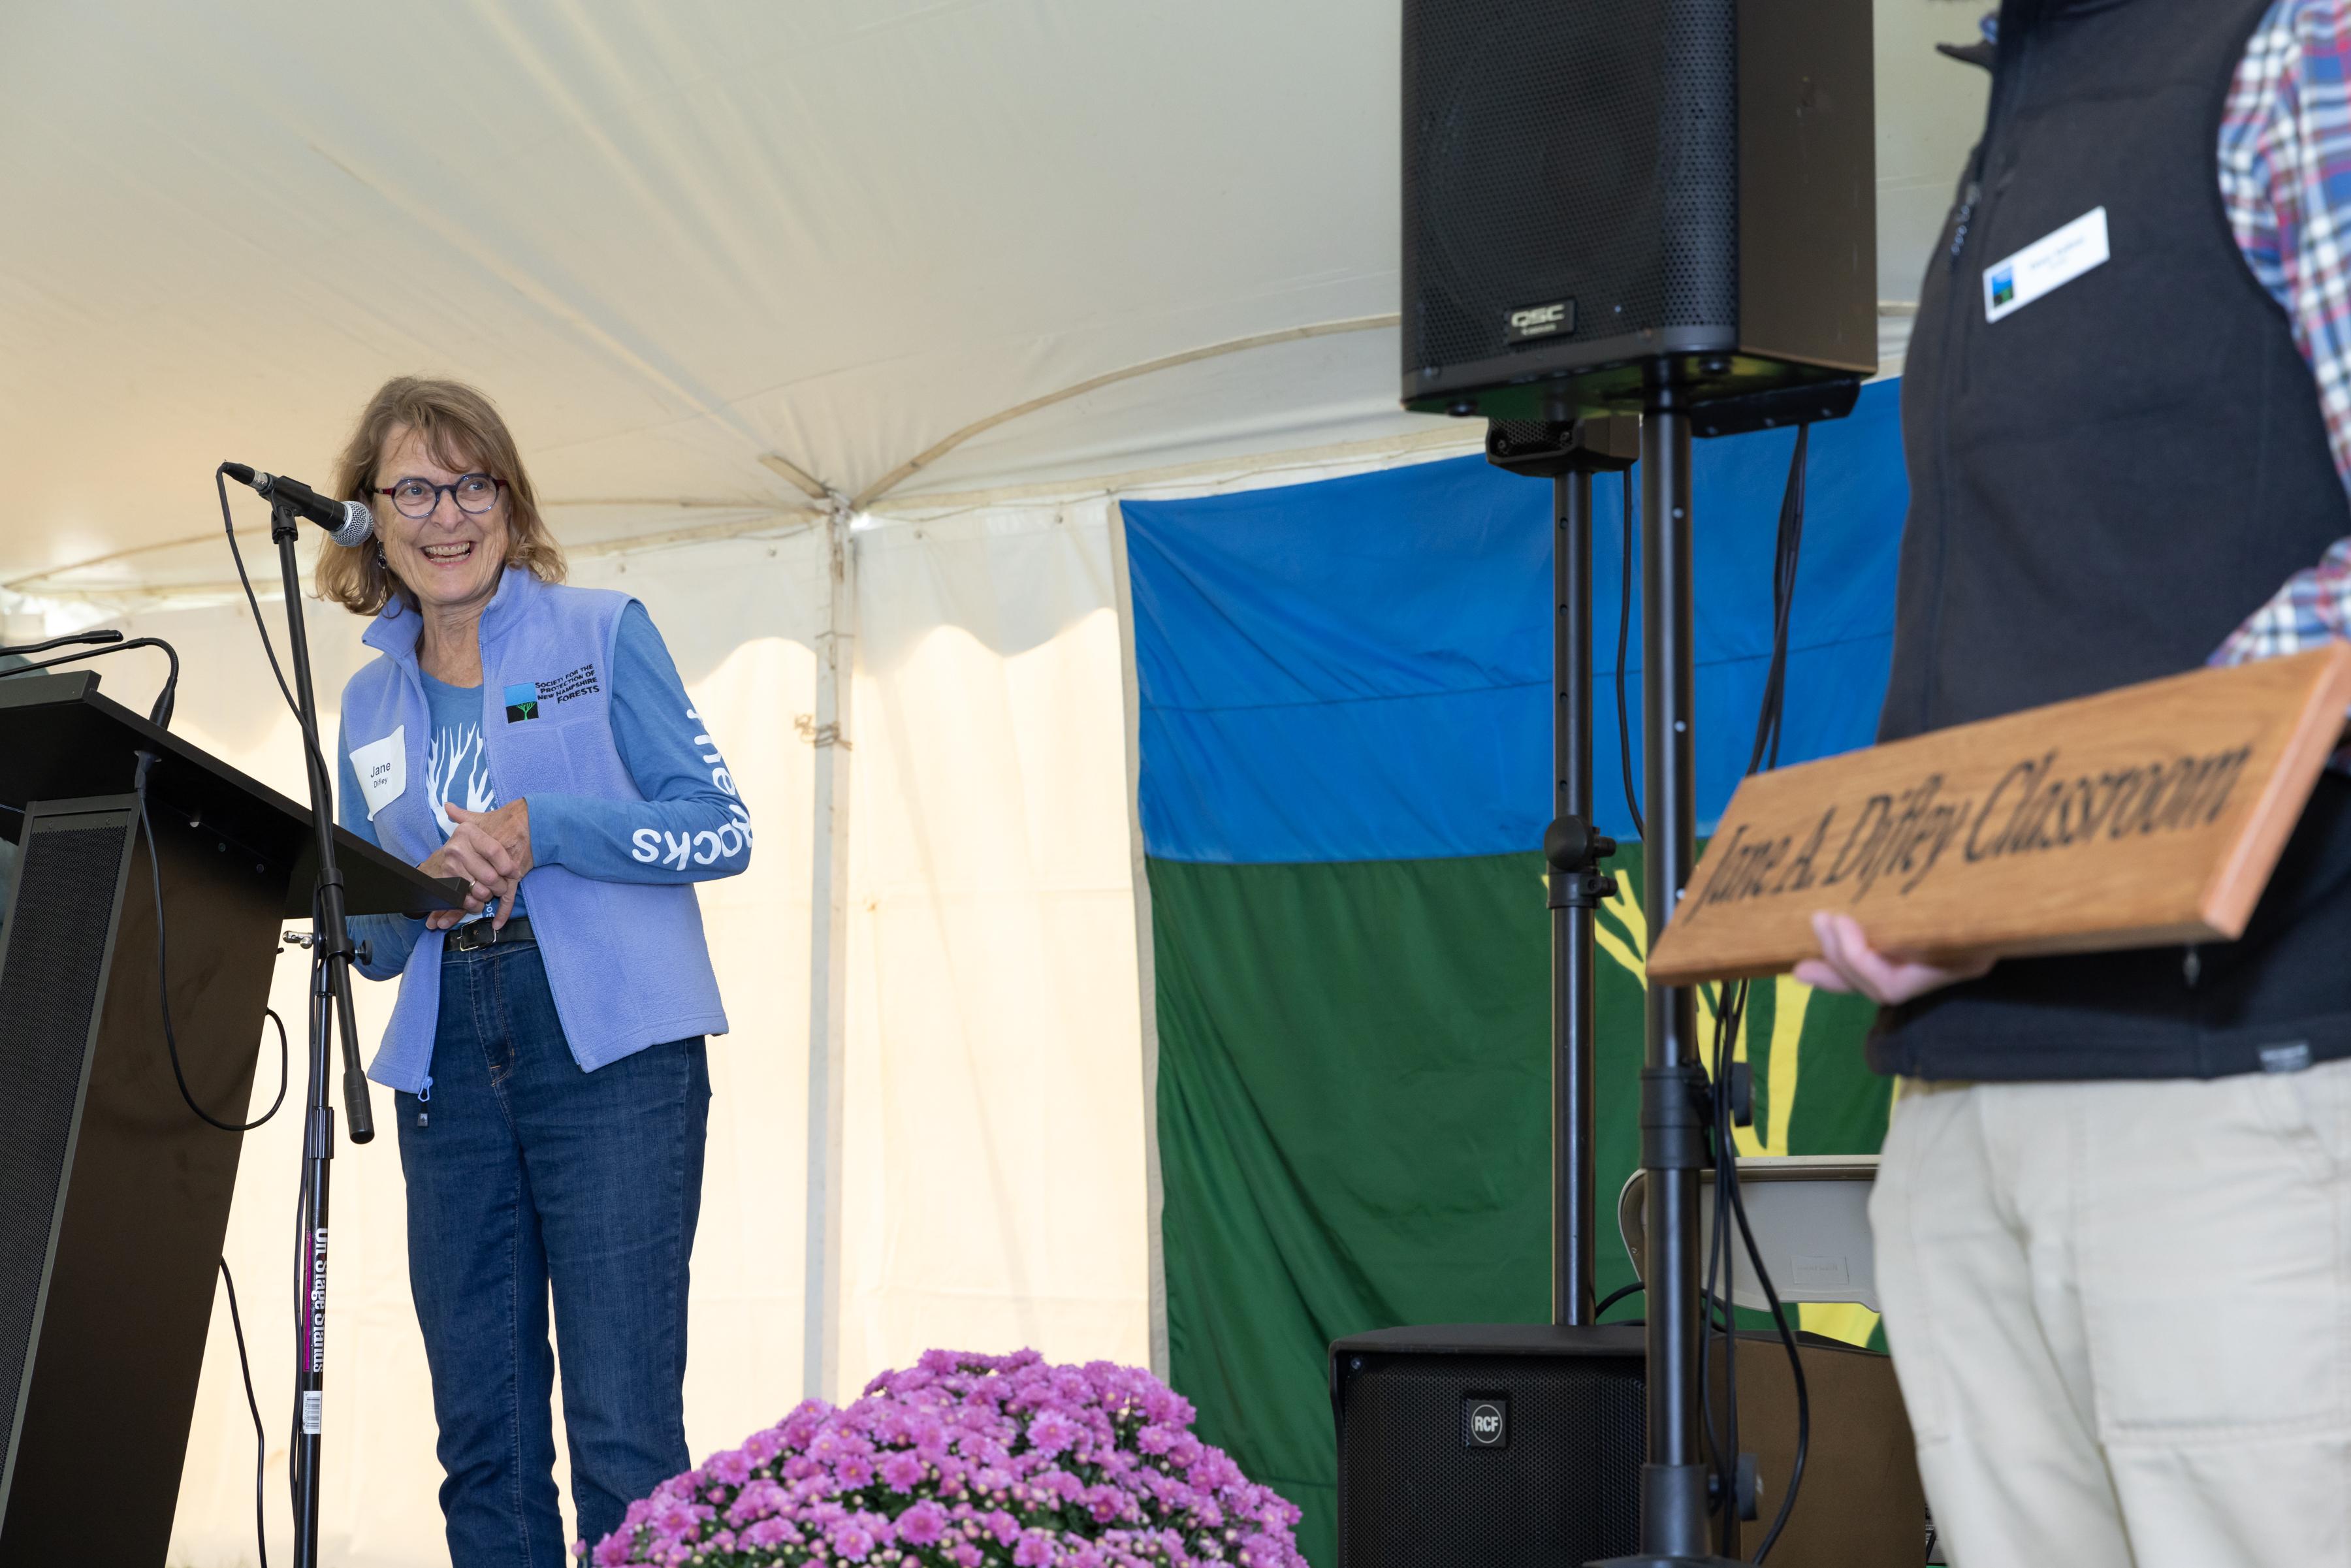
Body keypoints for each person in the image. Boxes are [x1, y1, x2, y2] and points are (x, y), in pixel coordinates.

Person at [1788, 2, 2351, 1563]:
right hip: (1964, 1105)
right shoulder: (2019, 102)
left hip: (2227, 1094)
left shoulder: (2297, 40)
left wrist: (2028, 876)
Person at [323, 377, 752, 1565]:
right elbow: (390, 938)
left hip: (608, 1049)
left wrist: (544, 826)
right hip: (445, 1054)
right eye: (414, 486)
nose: (444, 514)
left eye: (471, 483)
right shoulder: (367, 699)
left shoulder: (602, 632)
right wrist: (344, 898)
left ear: (510, 502)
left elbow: (721, 827)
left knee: (623, 1432)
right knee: (484, 1442)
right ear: (372, 513)